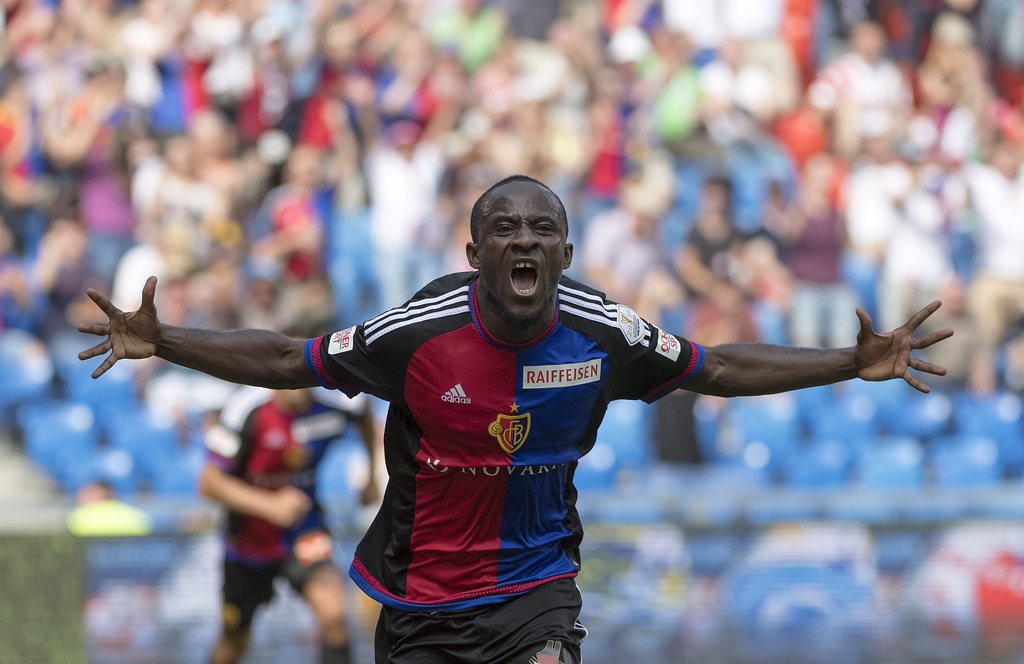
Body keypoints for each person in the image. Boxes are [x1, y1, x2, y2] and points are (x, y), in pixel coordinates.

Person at [78, 175, 953, 663]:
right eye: (504, 228)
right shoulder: (416, 334)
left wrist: (850, 361)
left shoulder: (607, 332)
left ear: (565, 254)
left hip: (535, 587)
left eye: (542, 229)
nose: (524, 240)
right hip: (421, 600)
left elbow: (714, 367)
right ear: (475, 254)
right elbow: (288, 359)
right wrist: (166, 342)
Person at [198, 384, 380, 664]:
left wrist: (370, 476)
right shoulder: (244, 407)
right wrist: (269, 505)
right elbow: (209, 483)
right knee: (232, 643)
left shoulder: (340, 401)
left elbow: (365, 414)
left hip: (305, 534)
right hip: (248, 545)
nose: (297, 382)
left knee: (334, 616)